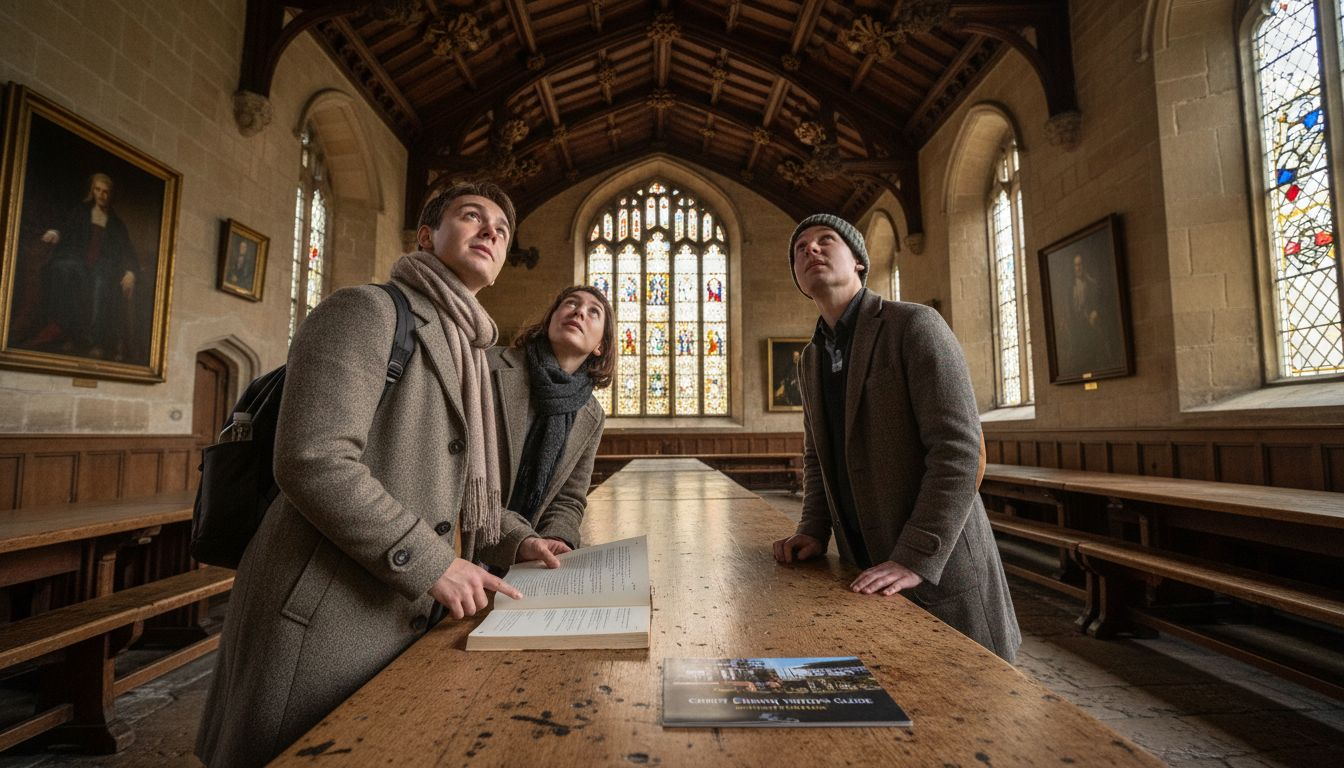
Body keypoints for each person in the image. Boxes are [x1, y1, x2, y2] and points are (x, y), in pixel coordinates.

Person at [196, 181, 563, 767]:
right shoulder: (365, 310)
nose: (492, 230)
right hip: (325, 611)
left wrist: (519, 539)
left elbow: (456, 481)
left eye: (501, 227)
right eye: (473, 216)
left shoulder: (474, 352)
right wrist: (433, 562)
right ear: (426, 236)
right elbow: (312, 459)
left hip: (400, 611)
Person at [771, 213, 1020, 662]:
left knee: (975, 704)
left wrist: (915, 557)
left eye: (826, 240)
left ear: (859, 262)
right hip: (864, 564)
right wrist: (812, 529)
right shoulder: (810, 359)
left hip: (937, 567)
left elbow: (960, 450)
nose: (811, 249)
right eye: (800, 248)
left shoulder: (914, 325)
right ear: (796, 276)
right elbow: (817, 457)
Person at [486, 285, 613, 558]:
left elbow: (569, 497)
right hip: (463, 545)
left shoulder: (591, 415)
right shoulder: (488, 366)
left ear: (600, 346)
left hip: (527, 558)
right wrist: (520, 539)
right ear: (550, 320)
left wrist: (557, 537)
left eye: (594, 311)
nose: (579, 312)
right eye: (570, 303)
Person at [30, 173, 138, 359]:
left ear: (111, 195)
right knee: (61, 269)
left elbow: (127, 250)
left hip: (105, 266)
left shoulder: (117, 224)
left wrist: (131, 272)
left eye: (106, 192)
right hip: (78, 260)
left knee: (101, 283)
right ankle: (66, 331)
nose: (102, 195)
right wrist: (56, 232)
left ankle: (95, 340)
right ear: (92, 191)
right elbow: (65, 226)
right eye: (98, 190)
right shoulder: (80, 211)